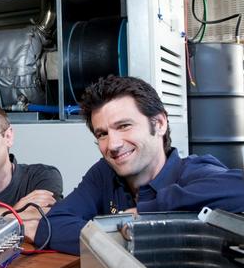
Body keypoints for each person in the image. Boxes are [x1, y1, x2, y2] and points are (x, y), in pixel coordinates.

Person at [26, 75, 244, 255]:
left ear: (158, 124)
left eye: (124, 126)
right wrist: (122, 232)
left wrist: (146, 212)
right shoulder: (104, 173)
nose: (113, 145)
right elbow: (53, 225)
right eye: (102, 134)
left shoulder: (192, 173)